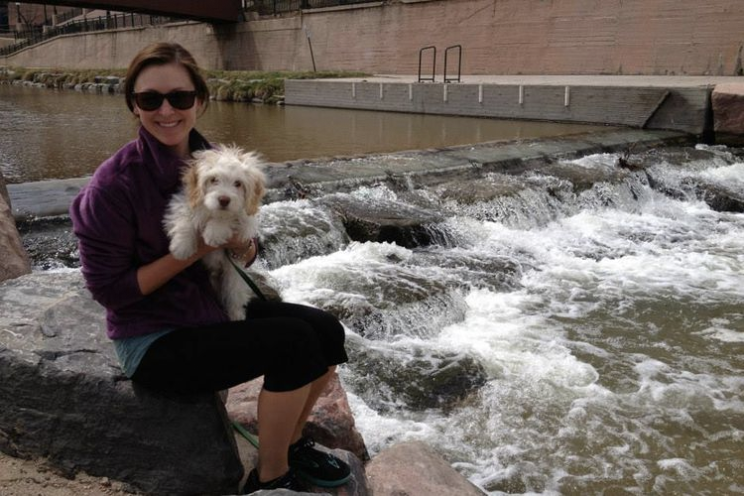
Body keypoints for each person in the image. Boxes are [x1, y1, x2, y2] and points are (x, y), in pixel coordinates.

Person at [69, 42, 350, 494]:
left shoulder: (220, 162)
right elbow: (111, 292)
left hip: (210, 309)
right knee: (294, 343)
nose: (166, 110)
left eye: (179, 98)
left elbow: (246, 254)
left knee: (326, 330)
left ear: (199, 101)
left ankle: (291, 443)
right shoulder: (112, 186)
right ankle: (270, 476)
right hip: (154, 338)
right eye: (150, 99)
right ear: (133, 105)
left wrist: (243, 244)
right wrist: (195, 250)